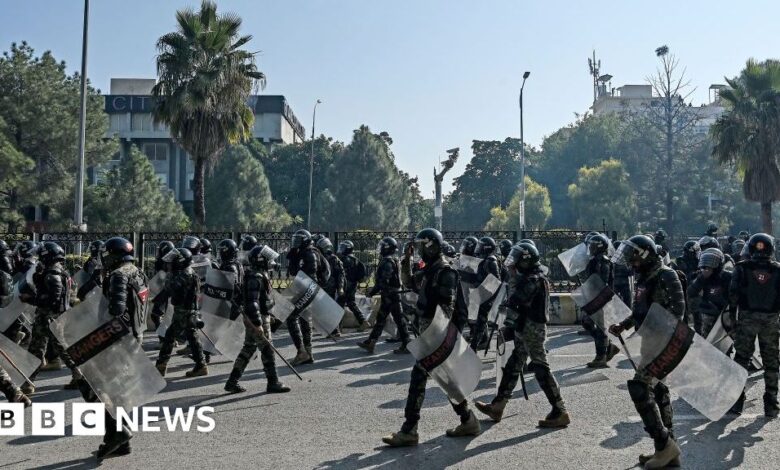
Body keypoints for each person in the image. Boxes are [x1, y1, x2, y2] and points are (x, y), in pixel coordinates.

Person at [382, 228, 480, 447]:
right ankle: (468, 419)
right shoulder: (431, 269)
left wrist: (434, 336)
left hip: (438, 335)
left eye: (420, 247)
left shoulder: (445, 271)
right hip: (430, 333)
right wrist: (406, 261)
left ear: (431, 246)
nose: (418, 251)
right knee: (447, 381)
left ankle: (409, 430)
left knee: (419, 377)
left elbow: (447, 308)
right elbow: (409, 283)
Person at [475, 242, 570, 428]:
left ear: (525, 261)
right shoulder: (528, 276)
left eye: (516, 260)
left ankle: (560, 410)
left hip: (532, 329)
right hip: (523, 327)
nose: (513, 264)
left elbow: (516, 300)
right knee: (513, 366)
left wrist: (511, 278)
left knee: (540, 367)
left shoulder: (533, 279)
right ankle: (498, 405)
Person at [609, 235, 685, 469]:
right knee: (659, 391)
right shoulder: (644, 278)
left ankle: (665, 444)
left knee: (640, 388)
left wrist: (663, 340)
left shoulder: (666, 275)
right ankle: (666, 450)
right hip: (648, 342)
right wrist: (625, 324)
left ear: (645, 254)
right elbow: (643, 310)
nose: (630, 261)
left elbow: (677, 311)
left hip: (661, 345)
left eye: (633, 255)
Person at [95, 236, 148, 460]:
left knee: (103, 388)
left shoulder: (118, 275)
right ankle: (119, 442)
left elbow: (115, 310)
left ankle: (117, 434)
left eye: (107, 254)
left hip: (117, 340)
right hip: (135, 336)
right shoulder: (138, 271)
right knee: (121, 391)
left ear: (115, 255)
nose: (105, 258)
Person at [225, 245, 291, 395]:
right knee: (267, 349)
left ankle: (231, 382)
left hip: (258, 317)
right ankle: (273, 383)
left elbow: (262, 300)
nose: (271, 261)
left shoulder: (258, 274)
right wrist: (257, 323)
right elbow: (252, 302)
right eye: (267, 258)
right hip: (257, 318)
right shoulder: (255, 277)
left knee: (248, 348)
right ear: (261, 260)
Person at [728, 233, 780, 417]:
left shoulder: (741, 268)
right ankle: (771, 404)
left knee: (741, 360)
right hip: (771, 320)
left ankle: (736, 402)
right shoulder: (777, 269)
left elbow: (733, 296)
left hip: (747, 319)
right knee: (771, 363)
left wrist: (732, 321)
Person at [23, 242, 82, 392]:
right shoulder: (56, 271)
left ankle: (80, 376)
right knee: (36, 349)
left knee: (62, 349)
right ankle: (28, 383)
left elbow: (52, 299)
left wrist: (30, 299)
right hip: (49, 317)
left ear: (47, 256)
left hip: (51, 317)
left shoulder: (53, 274)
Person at [154, 248, 207, 378]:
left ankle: (161, 366)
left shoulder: (185, 275)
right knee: (191, 337)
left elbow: (170, 289)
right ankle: (201, 365)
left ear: (181, 262)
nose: (169, 264)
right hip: (185, 311)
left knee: (170, 336)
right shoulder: (183, 273)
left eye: (173, 262)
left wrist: (159, 299)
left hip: (185, 312)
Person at [357, 237, 410, 354]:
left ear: (387, 248)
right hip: (389, 295)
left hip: (392, 295)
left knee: (399, 320)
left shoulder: (387, 262)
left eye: (382, 246)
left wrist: (371, 292)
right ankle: (371, 342)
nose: (379, 248)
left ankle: (407, 343)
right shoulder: (390, 260)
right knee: (381, 319)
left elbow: (383, 281)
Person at [286, 229, 327, 366]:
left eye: (298, 240)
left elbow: (304, 274)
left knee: (291, 317)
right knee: (304, 318)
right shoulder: (303, 252)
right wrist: (292, 258)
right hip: (306, 288)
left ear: (305, 240)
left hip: (308, 288)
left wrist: (295, 260)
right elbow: (293, 272)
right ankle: (308, 353)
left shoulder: (309, 254)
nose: (295, 242)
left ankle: (301, 352)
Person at [581, 234, 620, 368]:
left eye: (592, 246)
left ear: (598, 247)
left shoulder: (603, 260)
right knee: (587, 322)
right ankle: (609, 347)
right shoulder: (594, 260)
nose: (590, 248)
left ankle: (601, 356)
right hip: (593, 298)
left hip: (600, 299)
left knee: (600, 327)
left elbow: (601, 282)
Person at [688, 248, 733, 337]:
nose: (707, 269)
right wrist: (701, 278)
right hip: (707, 314)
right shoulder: (701, 277)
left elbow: (734, 295)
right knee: (706, 341)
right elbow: (691, 292)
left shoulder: (728, 277)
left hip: (724, 314)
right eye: (705, 267)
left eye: (710, 266)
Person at [468, 237, 501, 351]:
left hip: (486, 297)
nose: (478, 248)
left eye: (480, 246)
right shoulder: (485, 259)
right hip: (481, 295)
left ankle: (474, 346)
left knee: (481, 322)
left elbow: (495, 281)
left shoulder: (491, 261)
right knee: (479, 321)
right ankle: (481, 342)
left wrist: (485, 298)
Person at [336, 240, 371, 331]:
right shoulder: (356, 260)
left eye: (343, 248)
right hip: (353, 285)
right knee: (351, 304)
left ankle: (337, 327)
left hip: (345, 285)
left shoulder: (344, 259)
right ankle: (363, 322)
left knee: (339, 305)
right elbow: (361, 277)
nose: (341, 250)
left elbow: (341, 273)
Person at [317, 236, 345, 337]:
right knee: (324, 309)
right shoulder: (319, 258)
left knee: (329, 309)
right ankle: (330, 329)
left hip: (330, 287)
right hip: (321, 286)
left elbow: (340, 274)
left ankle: (335, 330)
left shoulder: (334, 259)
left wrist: (340, 287)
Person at [674, 240, 701, 332]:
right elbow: (684, 274)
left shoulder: (697, 260)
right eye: (695, 251)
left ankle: (699, 333)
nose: (697, 253)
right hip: (684, 289)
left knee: (698, 314)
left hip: (696, 289)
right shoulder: (681, 260)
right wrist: (695, 273)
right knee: (684, 314)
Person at [612, 240, 633, 309]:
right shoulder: (622, 260)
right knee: (627, 303)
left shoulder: (611, 259)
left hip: (615, 285)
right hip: (623, 285)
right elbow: (630, 272)